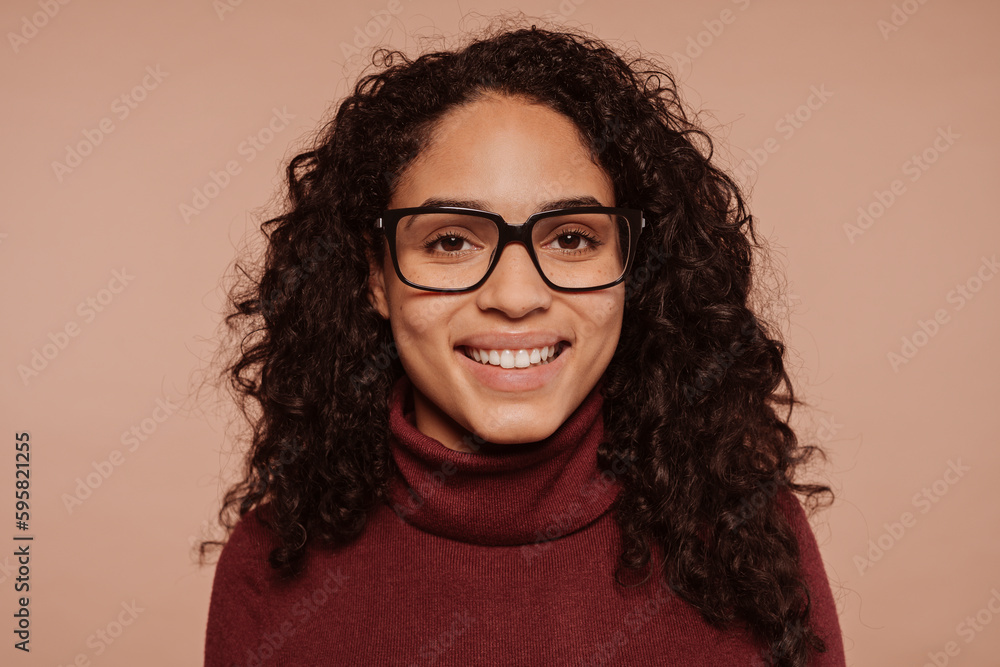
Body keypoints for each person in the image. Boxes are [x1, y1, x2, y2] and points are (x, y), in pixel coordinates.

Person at [202, 19, 845, 667]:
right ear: (377, 276)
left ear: (632, 265)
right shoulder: (272, 563)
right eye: (451, 240)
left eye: (571, 237)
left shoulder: (750, 539)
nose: (514, 296)